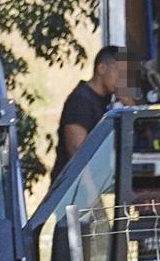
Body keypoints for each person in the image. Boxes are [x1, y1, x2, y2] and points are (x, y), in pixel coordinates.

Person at [53, 45, 130, 183]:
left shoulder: (106, 100)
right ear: (101, 69)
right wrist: (90, 192)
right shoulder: (81, 100)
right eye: (119, 73)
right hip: (72, 189)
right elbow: (77, 150)